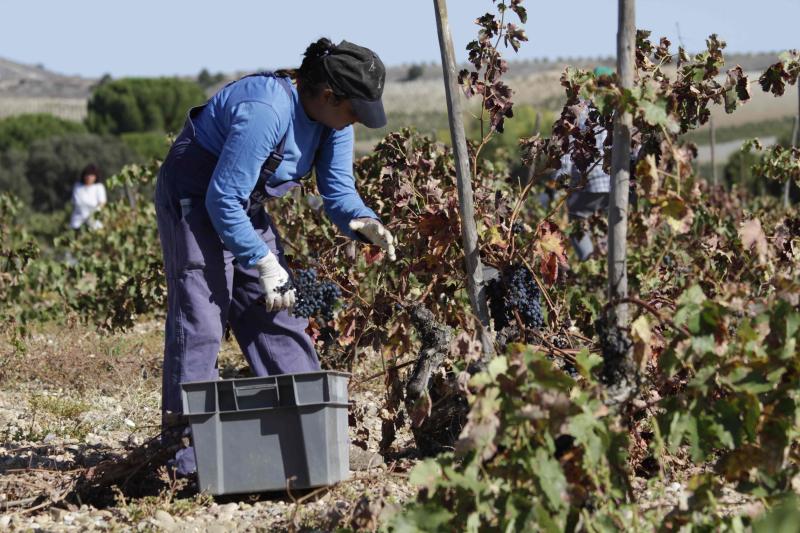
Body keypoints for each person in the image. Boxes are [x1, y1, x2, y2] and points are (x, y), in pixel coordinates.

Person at [155, 38, 395, 435]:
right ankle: (184, 449)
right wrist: (262, 259)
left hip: (240, 205)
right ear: (329, 95)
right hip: (195, 200)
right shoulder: (266, 110)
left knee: (280, 311)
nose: (357, 120)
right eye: (355, 110)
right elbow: (222, 198)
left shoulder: (332, 121)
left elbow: (337, 189)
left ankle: (314, 436)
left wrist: (361, 218)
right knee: (203, 316)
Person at [69, 163, 107, 231]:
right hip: (78, 221)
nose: (89, 177)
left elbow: (102, 203)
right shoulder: (77, 187)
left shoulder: (99, 187)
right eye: (87, 175)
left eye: (91, 175)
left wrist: (94, 214)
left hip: (93, 221)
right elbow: (76, 202)